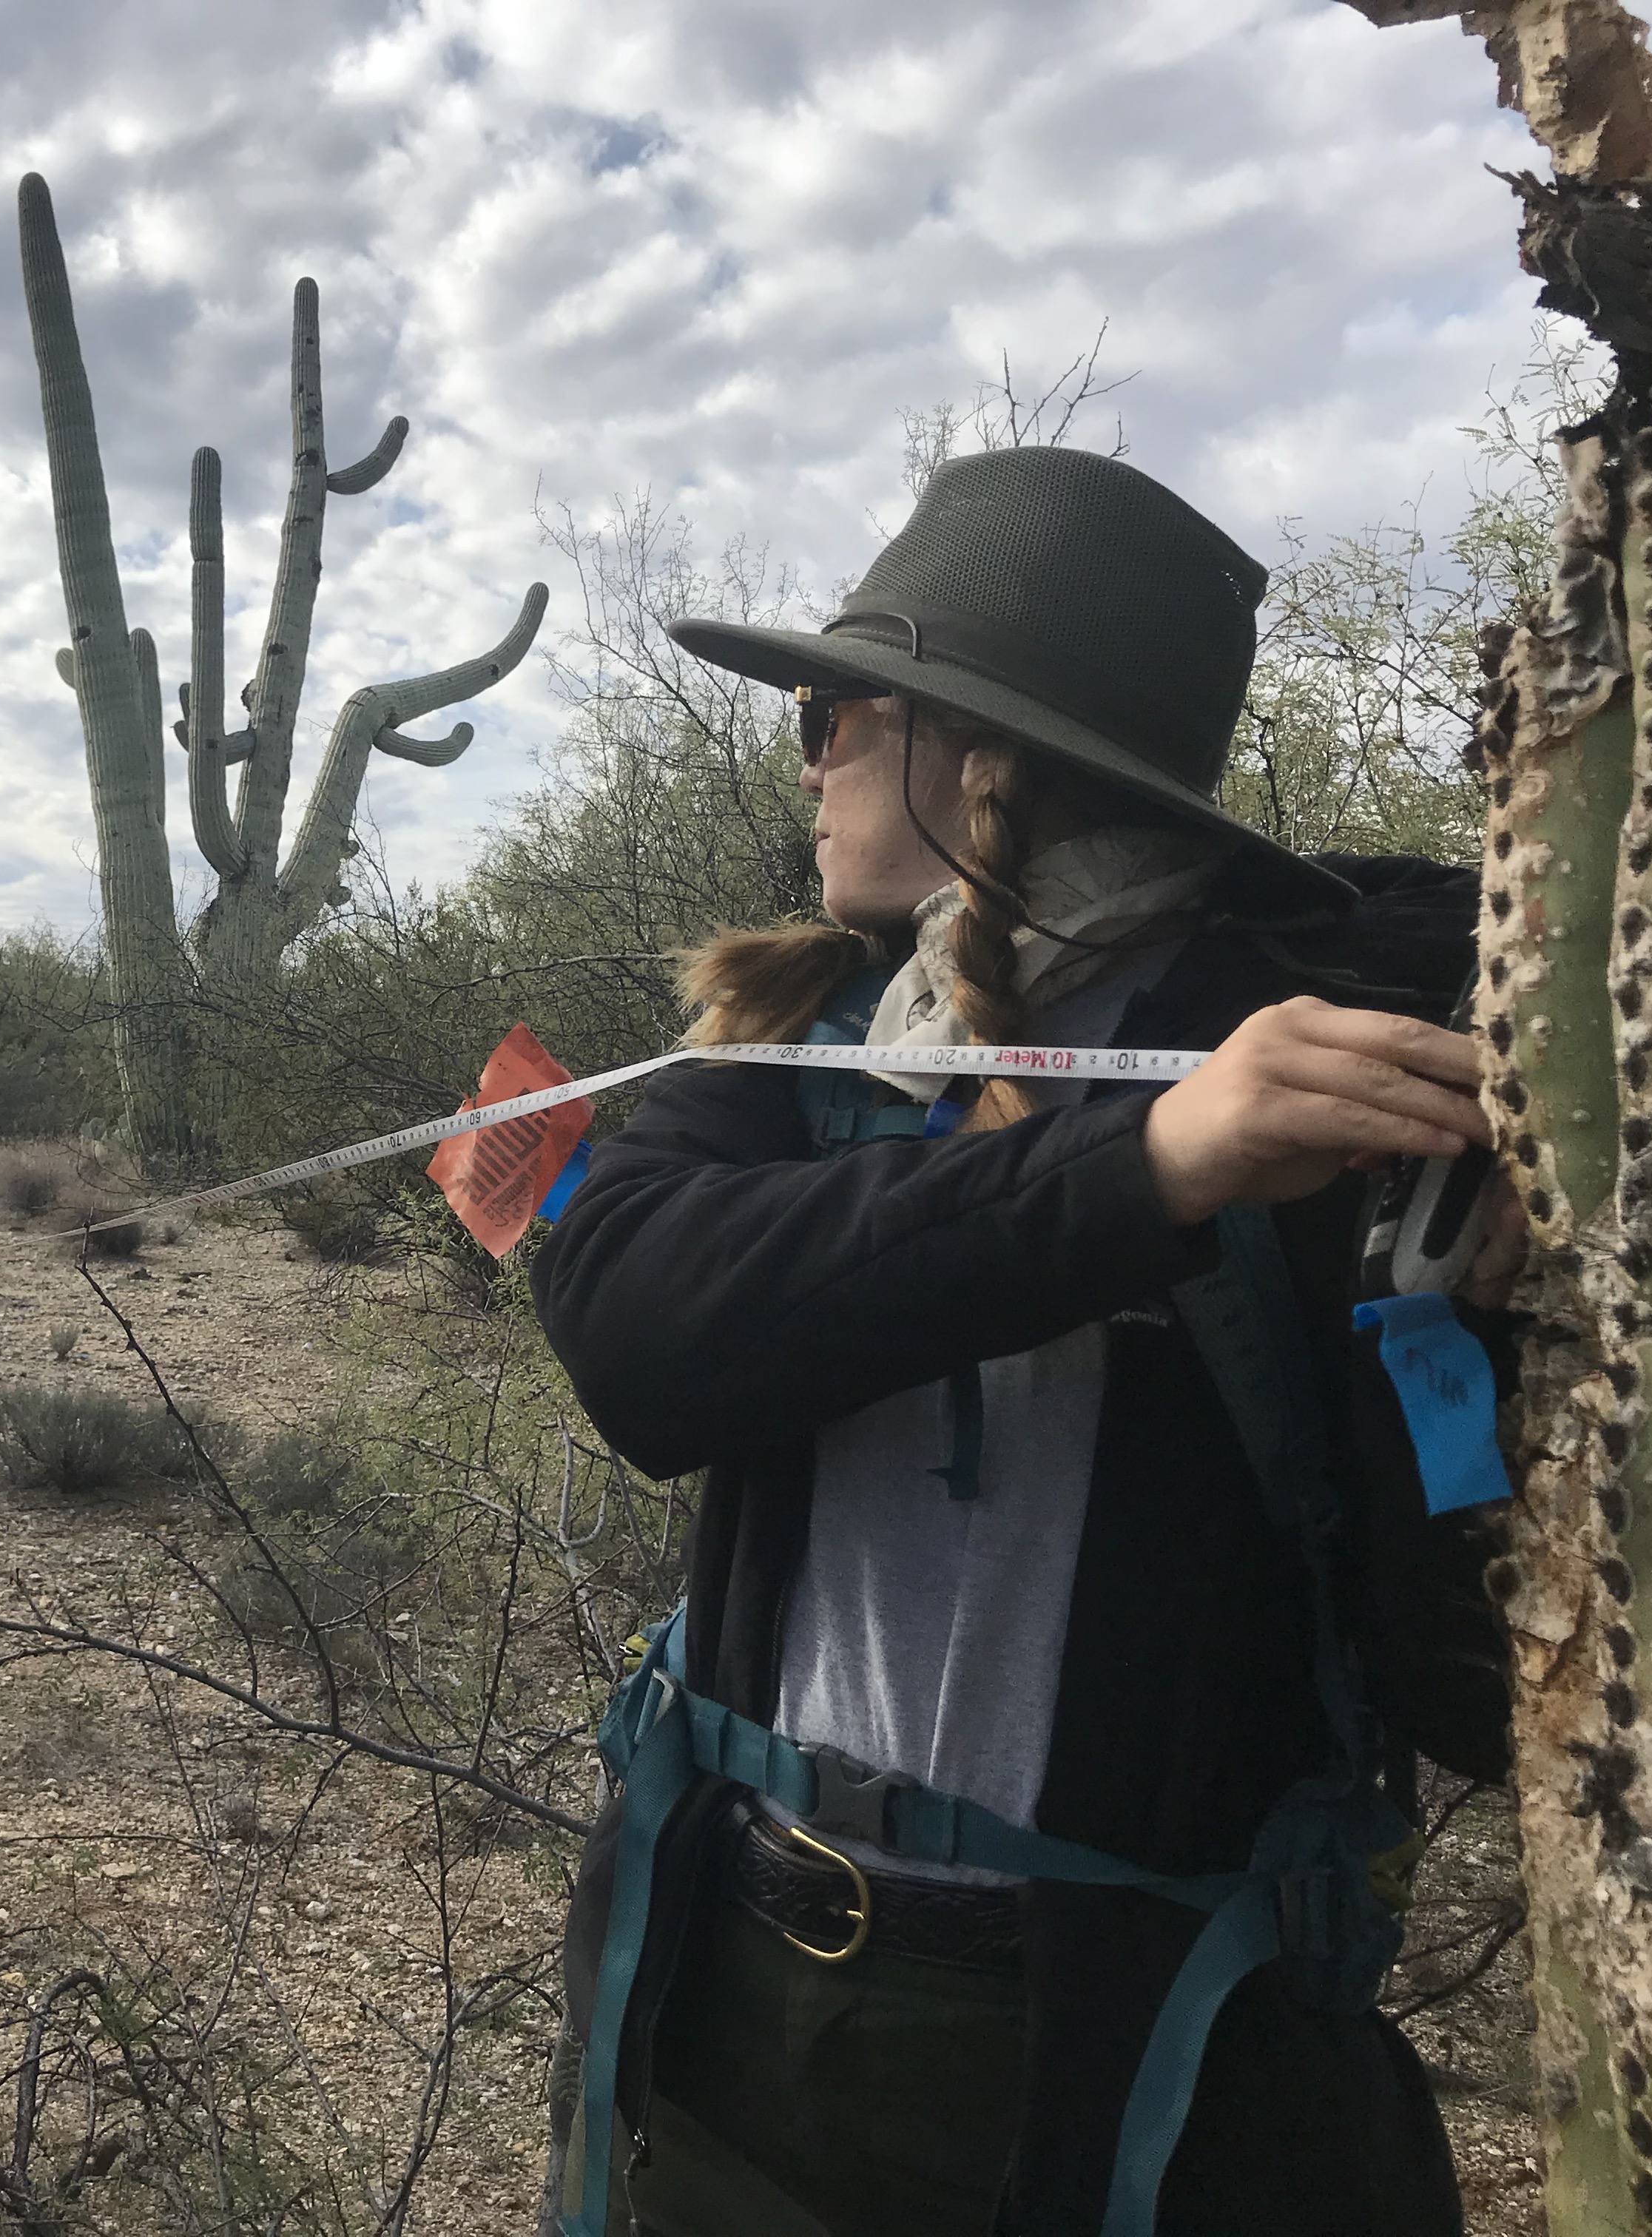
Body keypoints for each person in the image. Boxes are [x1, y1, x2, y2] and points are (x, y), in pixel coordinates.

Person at [529, 448, 1520, 2237]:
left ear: (978, 756)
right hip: (736, 1998)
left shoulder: (1325, 1035)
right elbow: (632, 1325)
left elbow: (1480, 1678)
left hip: (1146, 2041)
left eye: (838, 711)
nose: (807, 752)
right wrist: (1143, 1170)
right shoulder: (797, 1038)